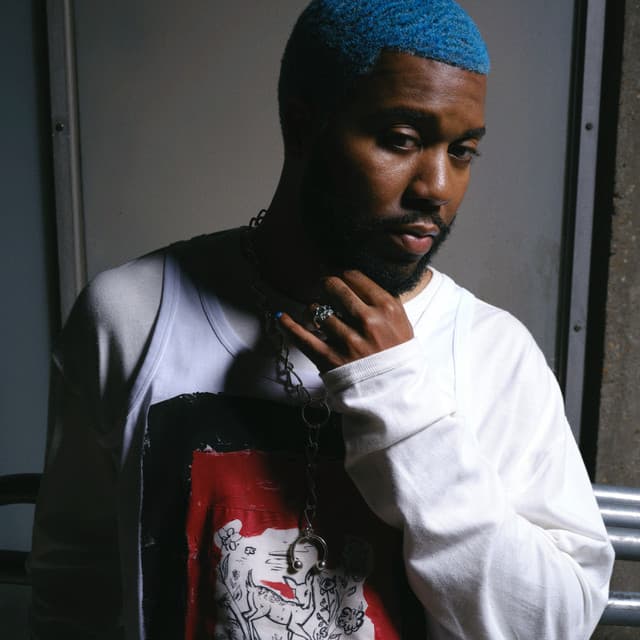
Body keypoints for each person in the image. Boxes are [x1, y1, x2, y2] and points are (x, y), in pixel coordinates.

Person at [30, 1, 614, 638]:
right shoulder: (131, 313)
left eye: (463, 151)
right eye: (402, 140)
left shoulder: (494, 351)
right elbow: (74, 588)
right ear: (302, 124)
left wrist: (403, 409)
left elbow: (554, 624)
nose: (437, 187)